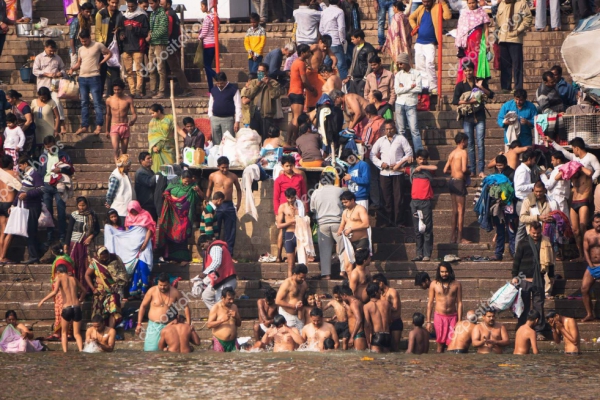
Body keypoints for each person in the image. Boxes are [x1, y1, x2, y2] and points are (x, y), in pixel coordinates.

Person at [452, 60, 494, 178]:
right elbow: (455, 101)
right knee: (470, 143)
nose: (468, 72)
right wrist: (469, 101)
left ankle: (481, 170)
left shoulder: (480, 81)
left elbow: (491, 95)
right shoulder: (460, 85)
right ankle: (473, 170)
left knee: (480, 143)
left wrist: (481, 87)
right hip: (467, 118)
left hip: (480, 116)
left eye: (470, 70)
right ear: (464, 72)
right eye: (466, 70)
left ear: (473, 70)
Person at [370, 119, 413, 227]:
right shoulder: (380, 140)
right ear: (384, 130)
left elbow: (409, 152)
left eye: (391, 129)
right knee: (386, 198)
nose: (389, 131)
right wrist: (381, 163)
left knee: (399, 199)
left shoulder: (400, 139)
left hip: (397, 173)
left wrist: (399, 163)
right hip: (384, 173)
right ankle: (387, 222)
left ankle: (399, 222)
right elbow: (372, 154)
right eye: (387, 129)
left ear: (395, 129)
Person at [68, 29, 111, 136]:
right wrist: (72, 69)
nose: (84, 43)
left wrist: (101, 63)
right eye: (82, 41)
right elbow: (79, 63)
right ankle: (85, 126)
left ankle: (99, 126)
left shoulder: (97, 45)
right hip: (82, 77)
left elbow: (109, 53)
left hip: (94, 77)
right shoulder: (81, 49)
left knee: (96, 102)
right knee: (84, 103)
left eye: (85, 41)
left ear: (89, 38)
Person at [511, 222, 551, 337]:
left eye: (538, 233)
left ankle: (539, 330)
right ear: (529, 231)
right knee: (524, 306)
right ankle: (523, 328)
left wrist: (551, 275)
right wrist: (514, 276)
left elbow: (550, 260)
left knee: (538, 305)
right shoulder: (523, 243)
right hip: (524, 279)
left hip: (539, 279)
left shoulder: (545, 242)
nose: (536, 235)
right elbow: (517, 261)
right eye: (534, 233)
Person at [136, 272, 191, 351]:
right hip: (154, 326)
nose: (162, 287)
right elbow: (143, 306)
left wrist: (188, 324)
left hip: (169, 325)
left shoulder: (175, 292)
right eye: (160, 285)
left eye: (165, 285)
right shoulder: (152, 291)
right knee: (150, 351)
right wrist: (139, 324)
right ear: (157, 283)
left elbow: (185, 307)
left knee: (171, 350)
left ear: (169, 283)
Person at [38, 263, 87, 352]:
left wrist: (43, 300)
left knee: (63, 333)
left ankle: (66, 353)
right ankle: (81, 351)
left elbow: (55, 292)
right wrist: (80, 300)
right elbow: (84, 291)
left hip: (67, 308)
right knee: (77, 333)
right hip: (76, 307)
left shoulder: (60, 278)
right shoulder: (73, 279)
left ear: (59, 272)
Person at [157, 170, 203, 265]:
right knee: (172, 234)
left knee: (183, 234)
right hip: (173, 216)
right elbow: (166, 191)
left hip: (185, 216)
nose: (187, 183)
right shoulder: (174, 183)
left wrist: (198, 190)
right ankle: (172, 258)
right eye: (185, 181)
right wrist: (168, 196)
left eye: (188, 181)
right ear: (181, 178)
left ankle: (183, 258)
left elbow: (202, 197)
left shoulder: (193, 186)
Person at [409, 0, 451, 95]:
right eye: (424, 1)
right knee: (420, 66)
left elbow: (447, 16)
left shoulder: (437, 7)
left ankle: (433, 87)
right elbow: (411, 18)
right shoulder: (421, 8)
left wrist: (443, 4)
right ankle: (424, 86)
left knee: (429, 64)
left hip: (430, 42)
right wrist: (415, 27)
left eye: (427, 1)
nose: (426, 3)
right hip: (419, 42)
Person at [547, 137, 600, 211]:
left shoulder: (591, 157)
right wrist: (552, 142)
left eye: (573, 148)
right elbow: (563, 151)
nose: (573, 151)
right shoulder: (574, 157)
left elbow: (598, 170)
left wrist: (591, 179)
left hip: (587, 191)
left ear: (577, 148)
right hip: (576, 190)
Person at [206, 156, 242, 257]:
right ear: (218, 166)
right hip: (216, 206)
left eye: (226, 167)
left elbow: (239, 190)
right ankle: (214, 254)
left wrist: (238, 203)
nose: (225, 169)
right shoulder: (213, 176)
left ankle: (229, 255)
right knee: (214, 229)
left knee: (230, 231)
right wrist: (206, 200)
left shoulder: (233, 176)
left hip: (229, 205)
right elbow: (209, 188)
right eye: (222, 167)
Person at [273, 155, 307, 261]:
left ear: (294, 165)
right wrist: (276, 213)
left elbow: (304, 194)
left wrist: (306, 210)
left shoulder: (299, 178)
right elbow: (275, 197)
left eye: (291, 165)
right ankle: (278, 255)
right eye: (286, 166)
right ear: (282, 166)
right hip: (283, 209)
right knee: (282, 231)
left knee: (298, 230)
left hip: (297, 208)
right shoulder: (279, 180)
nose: (288, 168)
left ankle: (293, 255)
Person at [310, 171, 343, 279]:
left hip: (322, 223)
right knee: (343, 249)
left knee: (325, 250)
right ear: (333, 180)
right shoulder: (340, 191)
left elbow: (312, 209)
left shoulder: (316, 192)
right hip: (338, 223)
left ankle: (326, 274)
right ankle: (343, 271)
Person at [495, 0, 533, 92]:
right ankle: (505, 87)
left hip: (515, 39)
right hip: (503, 38)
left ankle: (518, 87)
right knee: (505, 65)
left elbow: (528, 18)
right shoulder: (502, 4)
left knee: (517, 65)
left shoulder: (522, 3)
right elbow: (497, 21)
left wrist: (518, 30)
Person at [86, 247, 127, 328]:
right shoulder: (94, 262)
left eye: (106, 254)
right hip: (99, 292)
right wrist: (93, 289)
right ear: (98, 255)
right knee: (99, 313)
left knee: (114, 309)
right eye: (102, 255)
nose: (104, 257)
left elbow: (123, 275)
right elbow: (87, 275)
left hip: (113, 291)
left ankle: (111, 330)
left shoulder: (115, 259)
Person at [426, 262, 463, 353]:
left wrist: (459, 321)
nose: (444, 274)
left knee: (452, 344)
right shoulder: (434, 284)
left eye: (446, 272)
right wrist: (428, 321)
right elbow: (430, 303)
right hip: (439, 317)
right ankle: (439, 365)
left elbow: (459, 303)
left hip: (453, 317)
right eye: (442, 272)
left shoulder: (457, 284)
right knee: (440, 345)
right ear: (439, 272)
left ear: (450, 272)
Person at [65, 196, 100, 290]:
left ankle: (87, 289)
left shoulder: (92, 215)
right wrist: (66, 244)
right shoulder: (74, 215)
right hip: (76, 243)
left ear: (87, 205)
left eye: (83, 205)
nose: (81, 207)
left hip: (87, 244)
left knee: (86, 265)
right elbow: (69, 230)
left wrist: (90, 237)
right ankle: (75, 289)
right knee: (75, 264)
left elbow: (97, 230)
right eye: (80, 205)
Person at [32, 40, 66, 134]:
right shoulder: (39, 57)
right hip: (43, 86)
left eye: (53, 51)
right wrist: (47, 74)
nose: (52, 52)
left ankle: (62, 124)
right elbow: (35, 71)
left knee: (57, 102)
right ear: (45, 48)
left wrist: (60, 73)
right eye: (50, 50)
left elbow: (63, 69)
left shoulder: (58, 58)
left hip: (54, 86)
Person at [16, 156, 44, 264]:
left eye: (21, 166)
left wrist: (27, 194)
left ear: (25, 164)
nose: (20, 168)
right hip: (26, 206)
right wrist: (13, 205)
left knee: (30, 231)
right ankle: (36, 253)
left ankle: (34, 256)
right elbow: (21, 192)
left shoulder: (34, 174)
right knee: (27, 231)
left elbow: (41, 189)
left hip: (33, 206)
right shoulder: (26, 176)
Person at [162, 0, 193, 97]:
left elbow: (168, 31)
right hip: (174, 44)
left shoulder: (169, 15)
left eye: (162, 4)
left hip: (169, 45)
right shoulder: (173, 14)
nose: (160, 5)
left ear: (168, 4)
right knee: (167, 68)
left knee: (175, 68)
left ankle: (187, 89)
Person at [200, 230, 238, 310]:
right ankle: (217, 315)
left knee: (220, 302)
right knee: (206, 295)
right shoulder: (212, 249)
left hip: (227, 279)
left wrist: (204, 273)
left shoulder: (215, 247)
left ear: (207, 241)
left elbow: (217, 262)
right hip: (218, 280)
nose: (203, 248)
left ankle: (223, 317)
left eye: (203, 245)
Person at [454, 0, 490, 84]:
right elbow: (460, 29)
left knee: (477, 62)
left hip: (478, 44)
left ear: (476, 2)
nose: (471, 5)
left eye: (473, 3)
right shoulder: (464, 14)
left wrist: (487, 42)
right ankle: (464, 83)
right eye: (469, 3)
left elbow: (486, 29)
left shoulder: (482, 13)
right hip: (466, 45)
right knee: (465, 62)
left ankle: (477, 83)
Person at [118, 0, 149, 99]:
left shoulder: (142, 16)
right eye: (129, 6)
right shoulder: (124, 17)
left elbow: (145, 32)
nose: (130, 8)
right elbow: (120, 29)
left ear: (136, 5)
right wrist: (121, 35)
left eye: (132, 6)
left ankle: (138, 91)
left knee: (139, 71)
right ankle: (132, 91)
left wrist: (134, 29)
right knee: (129, 71)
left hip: (138, 48)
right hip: (126, 48)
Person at [288, 44, 317, 144]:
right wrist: (312, 89)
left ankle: (289, 140)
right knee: (297, 117)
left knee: (293, 118)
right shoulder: (300, 63)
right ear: (303, 53)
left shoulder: (296, 62)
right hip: (297, 92)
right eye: (308, 52)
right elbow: (304, 80)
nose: (309, 53)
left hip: (292, 92)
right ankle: (296, 140)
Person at [410, 148, 436, 261]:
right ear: (416, 159)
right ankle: (419, 253)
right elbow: (396, 168)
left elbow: (435, 167)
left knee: (427, 229)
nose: (421, 161)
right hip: (414, 202)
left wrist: (422, 167)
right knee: (417, 230)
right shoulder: (412, 169)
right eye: (420, 159)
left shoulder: (428, 169)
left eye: (424, 159)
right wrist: (406, 159)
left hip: (425, 202)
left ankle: (427, 254)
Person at [444, 132, 470, 244]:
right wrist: (470, 172)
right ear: (463, 141)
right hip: (459, 182)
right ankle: (460, 238)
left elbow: (445, 170)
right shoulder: (463, 152)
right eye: (466, 141)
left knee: (454, 211)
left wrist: (454, 171)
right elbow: (464, 169)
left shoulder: (452, 153)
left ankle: (452, 238)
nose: (467, 143)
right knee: (460, 211)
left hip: (451, 182)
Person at [394, 52, 423, 152]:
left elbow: (419, 89)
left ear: (406, 62)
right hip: (399, 103)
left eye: (401, 63)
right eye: (398, 64)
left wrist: (403, 88)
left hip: (411, 103)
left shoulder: (416, 73)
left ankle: (419, 153)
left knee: (414, 130)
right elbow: (397, 90)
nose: (399, 66)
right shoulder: (398, 75)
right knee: (401, 130)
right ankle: (404, 153)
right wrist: (410, 86)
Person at [246, 63, 283, 141]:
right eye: (258, 71)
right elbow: (249, 94)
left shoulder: (274, 83)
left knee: (266, 137)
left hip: (267, 114)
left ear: (266, 72)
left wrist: (268, 84)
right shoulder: (253, 82)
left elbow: (275, 95)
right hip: (254, 113)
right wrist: (258, 84)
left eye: (262, 72)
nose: (260, 73)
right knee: (254, 138)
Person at [338, 191, 370, 276]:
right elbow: (342, 224)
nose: (344, 204)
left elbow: (366, 224)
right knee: (348, 267)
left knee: (360, 265)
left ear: (352, 200)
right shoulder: (345, 212)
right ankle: (351, 285)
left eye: (346, 202)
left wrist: (351, 229)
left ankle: (363, 282)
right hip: (349, 242)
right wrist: (340, 231)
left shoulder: (360, 209)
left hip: (361, 240)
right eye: (343, 202)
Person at [106, 79, 137, 163]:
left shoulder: (128, 99)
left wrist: (133, 120)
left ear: (122, 89)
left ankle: (123, 168)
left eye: (118, 89)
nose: (116, 91)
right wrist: (107, 130)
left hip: (125, 126)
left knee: (124, 151)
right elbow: (108, 115)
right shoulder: (109, 100)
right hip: (114, 126)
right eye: (115, 90)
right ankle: (117, 165)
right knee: (116, 148)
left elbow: (134, 114)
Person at [95, 0, 121, 97]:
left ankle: (113, 94)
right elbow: (98, 30)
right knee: (102, 71)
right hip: (104, 47)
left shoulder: (119, 14)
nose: (114, 5)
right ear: (108, 2)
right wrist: (102, 45)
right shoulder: (101, 14)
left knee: (114, 72)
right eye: (112, 2)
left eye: (116, 3)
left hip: (115, 48)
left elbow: (122, 27)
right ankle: (100, 93)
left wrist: (119, 30)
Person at [372, 273, 403, 351]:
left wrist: (385, 307)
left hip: (395, 322)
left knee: (395, 347)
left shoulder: (392, 292)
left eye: (376, 284)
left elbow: (395, 308)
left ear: (381, 283)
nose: (375, 286)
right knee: (387, 348)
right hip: (386, 324)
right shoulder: (380, 294)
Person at [208, 72, 242, 145]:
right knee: (216, 142)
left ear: (226, 80)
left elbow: (238, 105)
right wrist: (211, 116)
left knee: (228, 142)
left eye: (222, 83)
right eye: (218, 83)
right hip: (215, 119)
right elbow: (211, 104)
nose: (220, 85)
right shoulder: (214, 90)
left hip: (228, 119)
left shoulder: (233, 89)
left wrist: (237, 121)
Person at [277, 188, 302, 278]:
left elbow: (306, 220)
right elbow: (279, 225)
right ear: (286, 197)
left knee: (302, 264)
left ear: (295, 196)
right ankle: (290, 284)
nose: (290, 200)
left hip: (300, 235)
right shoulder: (283, 207)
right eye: (288, 198)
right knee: (290, 265)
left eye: (292, 198)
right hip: (289, 234)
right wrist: (290, 222)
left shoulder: (301, 206)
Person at [146, 0, 169, 99]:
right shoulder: (152, 14)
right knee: (151, 68)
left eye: (152, 3)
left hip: (160, 44)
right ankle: (152, 90)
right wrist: (149, 35)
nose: (150, 5)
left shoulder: (162, 14)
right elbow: (151, 29)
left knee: (160, 68)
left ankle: (161, 91)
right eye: (149, 3)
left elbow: (163, 30)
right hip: (152, 44)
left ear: (157, 2)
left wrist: (151, 36)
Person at [319, 0, 347, 79]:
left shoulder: (324, 11)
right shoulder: (339, 11)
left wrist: (324, 41)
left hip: (326, 43)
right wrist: (342, 41)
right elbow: (341, 28)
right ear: (338, 2)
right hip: (336, 42)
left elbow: (321, 28)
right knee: (341, 66)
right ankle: (344, 88)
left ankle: (325, 86)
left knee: (326, 66)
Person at [275, 263, 309, 331]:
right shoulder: (287, 283)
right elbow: (278, 301)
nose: (303, 280)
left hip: (299, 315)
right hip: (287, 315)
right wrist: (294, 306)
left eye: (304, 278)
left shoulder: (304, 284)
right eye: (301, 277)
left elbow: (307, 296)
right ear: (295, 274)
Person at [207, 287, 241, 352]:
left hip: (233, 342)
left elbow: (239, 324)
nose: (232, 301)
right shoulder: (216, 307)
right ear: (222, 298)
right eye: (229, 299)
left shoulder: (234, 307)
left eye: (233, 299)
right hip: (220, 342)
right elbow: (209, 325)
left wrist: (237, 317)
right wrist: (222, 320)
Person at [383, 1, 412, 74]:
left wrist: (386, 44)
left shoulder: (396, 17)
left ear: (396, 8)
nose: (393, 9)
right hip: (405, 44)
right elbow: (409, 32)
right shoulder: (405, 17)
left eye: (393, 7)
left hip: (396, 44)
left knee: (397, 62)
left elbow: (392, 32)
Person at [345, 29, 376, 95]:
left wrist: (365, 78)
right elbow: (353, 62)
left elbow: (370, 65)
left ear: (358, 38)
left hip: (362, 78)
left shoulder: (369, 49)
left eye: (353, 39)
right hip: (354, 78)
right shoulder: (355, 48)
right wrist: (350, 75)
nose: (352, 41)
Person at [581, 215, 600, 322]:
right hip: (592, 265)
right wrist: (590, 264)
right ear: (593, 223)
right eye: (596, 222)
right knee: (584, 289)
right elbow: (586, 250)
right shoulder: (588, 234)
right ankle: (589, 314)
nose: (599, 224)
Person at [147, 103, 175, 172]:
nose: (151, 115)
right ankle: (160, 181)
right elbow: (151, 136)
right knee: (159, 170)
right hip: (157, 149)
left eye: (153, 113)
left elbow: (178, 130)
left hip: (169, 148)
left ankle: (170, 182)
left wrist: (186, 137)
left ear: (159, 111)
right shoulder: (152, 122)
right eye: (150, 114)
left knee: (170, 168)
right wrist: (153, 147)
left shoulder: (170, 118)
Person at [105, 154, 133, 225]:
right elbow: (110, 193)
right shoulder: (116, 176)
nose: (129, 168)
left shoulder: (125, 174)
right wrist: (109, 203)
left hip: (127, 209)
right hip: (120, 210)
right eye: (127, 166)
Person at [0, 155, 18, 263]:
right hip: (9, 203)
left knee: (2, 231)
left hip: (0, 202)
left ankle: (0, 256)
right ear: (11, 163)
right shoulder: (14, 174)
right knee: (11, 231)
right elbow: (21, 188)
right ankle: (3, 256)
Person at [364, 282, 391, 353]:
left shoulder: (367, 306)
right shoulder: (386, 303)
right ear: (376, 292)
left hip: (377, 335)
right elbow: (389, 320)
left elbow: (367, 325)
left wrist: (368, 341)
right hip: (387, 335)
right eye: (379, 290)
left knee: (375, 362)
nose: (380, 292)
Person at [540, 151, 569, 218]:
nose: (551, 162)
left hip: (557, 199)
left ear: (558, 160)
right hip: (562, 199)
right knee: (564, 220)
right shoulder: (565, 169)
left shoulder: (557, 170)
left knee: (559, 220)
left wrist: (542, 175)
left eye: (553, 160)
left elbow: (548, 185)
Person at [6, 90, 35, 154]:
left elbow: (29, 120)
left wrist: (20, 131)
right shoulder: (13, 106)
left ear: (14, 98)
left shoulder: (24, 106)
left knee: (26, 154)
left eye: (8, 99)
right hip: (18, 133)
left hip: (27, 132)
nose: (8, 101)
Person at [31, 88, 60, 153]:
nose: (43, 99)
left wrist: (56, 129)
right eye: (42, 98)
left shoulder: (52, 102)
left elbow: (57, 116)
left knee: (49, 149)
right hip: (37, 130)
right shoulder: (34, 102)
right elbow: (31, 115)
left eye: (45, 97)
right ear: (38, 95)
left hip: (49, 130)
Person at [338, 285, 366, 350]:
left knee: (359, 358)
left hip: (358, 334)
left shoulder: (354, 304)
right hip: (356, 334)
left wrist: (352, 337)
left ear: (344, 295)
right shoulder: (355, 303)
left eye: (341, 297)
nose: (342, 299)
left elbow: (359, 320)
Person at [198, 0, 217, 92]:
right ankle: (211, 88)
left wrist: (199, 36)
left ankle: (218, 77)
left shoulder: (207, 18)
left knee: (207, 66)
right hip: (214, 43)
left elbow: (204, 32)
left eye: (202, 6)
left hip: (208, 44)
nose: (201, 8)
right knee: (208, 66)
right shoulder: (215, 17)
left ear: (206, 6)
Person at [68, 2, 93, 67]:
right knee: (74, 70)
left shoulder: (88, 21)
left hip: (84, 48)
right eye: (87, 11)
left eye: (90, 12)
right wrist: (73, 51)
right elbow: (71, 37)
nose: (89, 14)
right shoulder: (76, 21)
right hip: (75, 49)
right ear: (82, 11)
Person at [134, 151, 157, 220]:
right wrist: (158, 174)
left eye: (151, 158)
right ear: (142, 161)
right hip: (145, 204)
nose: (151, 160)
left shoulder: (150, 171)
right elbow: (149, 183)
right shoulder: (140, 172)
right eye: (148, 158)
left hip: (152, 203)